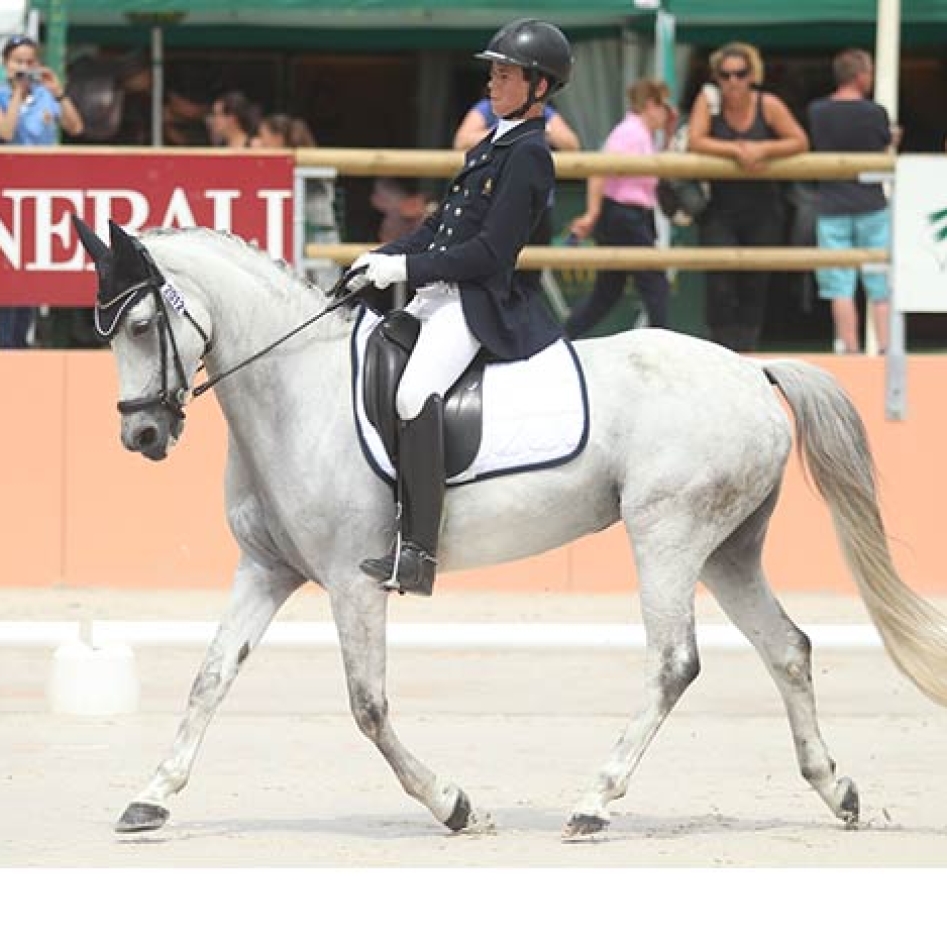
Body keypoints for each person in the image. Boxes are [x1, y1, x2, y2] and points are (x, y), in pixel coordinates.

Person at [351, 18, 573, 596]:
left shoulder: (530, 155)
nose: (493, 83)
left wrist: (403, 270)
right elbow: (437, 229)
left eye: (505, 74)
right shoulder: (488, 146)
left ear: (539, 87)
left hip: (473, 304)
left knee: (412, 393)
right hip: (434, 297)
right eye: (493, 72)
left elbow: (487, 254)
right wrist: (379, 256)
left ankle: (420, 551)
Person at [687, 42, 809, 352]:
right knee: (720, 283)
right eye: (725, 75)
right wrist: (737, 150)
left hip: (763, 207)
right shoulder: (709, 101)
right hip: (719, 206)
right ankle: (720, 351)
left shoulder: (768, 104)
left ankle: (748, 351)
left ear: (752, 75)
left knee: (756, 281)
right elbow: (695, 140)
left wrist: (764, 149)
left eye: (740, 74)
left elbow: (799, 140)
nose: (733, 82)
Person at [563, 78, 676, 339]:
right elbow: (599, 169)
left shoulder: (640, 133)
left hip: (627, 215)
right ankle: (665, 345)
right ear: (650, 105)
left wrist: (668, 133)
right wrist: (592, 212)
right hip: (624, 215)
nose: (666, 113)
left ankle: (562, 337)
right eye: (663, 106)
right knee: (654, 283)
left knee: (608, 291)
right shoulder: (631, 132)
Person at [808, 49, 895, 355]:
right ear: (860, 76)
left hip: (831, 203)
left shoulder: (817, 111)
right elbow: (885, 147)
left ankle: (851, 351)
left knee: (839, 286)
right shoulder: (876, 112)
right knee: (880, 284)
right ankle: (885, 348)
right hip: (871, 203)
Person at [1, 34, 84, 348]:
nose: (23, 67)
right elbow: (6, 132)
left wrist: (58, 92)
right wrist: (17, 96)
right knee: (10, 267)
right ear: (6, 64)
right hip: (9, 194)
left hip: (43, 194)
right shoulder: (2, 95)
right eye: (17, 61)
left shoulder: (47, 96)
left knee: (34, 269)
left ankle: (25, 338)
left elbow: (76, 128)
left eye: (29, 61)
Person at [453, 78, 579, 245]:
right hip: (492, 202)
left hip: (534, 204)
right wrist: (505, 131)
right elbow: (461, 141)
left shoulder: (542, 111)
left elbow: (572, 144)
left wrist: (541, 129)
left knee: (532, 265)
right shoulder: (487, 108)